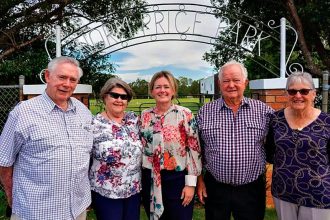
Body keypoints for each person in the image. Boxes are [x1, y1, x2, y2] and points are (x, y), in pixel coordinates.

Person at [0, 56, 93, 220]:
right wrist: (11, 195)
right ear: (48, 76)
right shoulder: (23, 113)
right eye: (62, 77)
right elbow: (4, 161)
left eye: (73, 79)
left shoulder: (83, 112)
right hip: (36, 211)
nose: (67, 84)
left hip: (77, 209)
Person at [196, 60, 274, 220]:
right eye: (226, 81)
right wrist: (199, 180)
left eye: (236, 80)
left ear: (246, 83)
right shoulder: (205, 112)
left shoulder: (263, 111)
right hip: (216, 187)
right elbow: (196, 150)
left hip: (251, 188)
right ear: (219, 83)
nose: (231, 85)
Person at [266, 71, 330, 220]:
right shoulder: (276, 119)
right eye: (293, 91)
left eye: (304, 91)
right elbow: (270, 152)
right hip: (283, 192)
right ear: (287, 94)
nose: (298, 95)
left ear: (314, 94)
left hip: (318, 194)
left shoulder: (327, 122)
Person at [140, 70, 202, 220]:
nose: (162, 90)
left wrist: (191, 184)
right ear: (152, 91)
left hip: (178, 180)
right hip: (150, 178)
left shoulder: (185, 114)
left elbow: (194, 151)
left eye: (166, 87)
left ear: (173, 90)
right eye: (158, 87)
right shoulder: (144, 116)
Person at [89, 78, 143, 220]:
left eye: (124, 97)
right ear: (104, 96)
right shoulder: (93, 124)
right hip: (106, 192)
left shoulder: (133, 120)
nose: (119, 100)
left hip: (133, 190)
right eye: (114, 95)